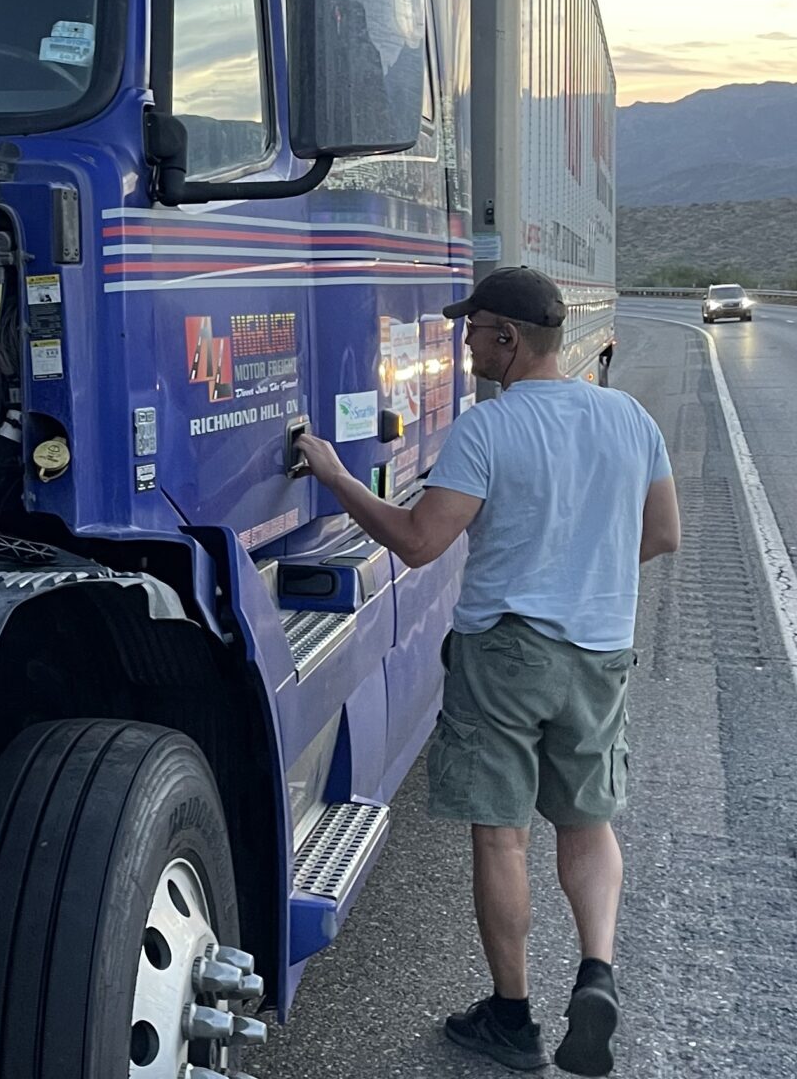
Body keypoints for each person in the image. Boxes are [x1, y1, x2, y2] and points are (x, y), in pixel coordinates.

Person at [294, 266, 680, 1077]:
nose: (464, 342)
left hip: (505, 652)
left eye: (473, 330)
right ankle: (597, 972)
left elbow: (418, 540)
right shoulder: (630, 418)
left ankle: (511, 1017)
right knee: (586, 820)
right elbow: (663, 534)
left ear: (508, 339)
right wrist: (588, 571)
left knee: (502, 833)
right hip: (601, 649)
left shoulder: (488, 428)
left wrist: (333, 478)